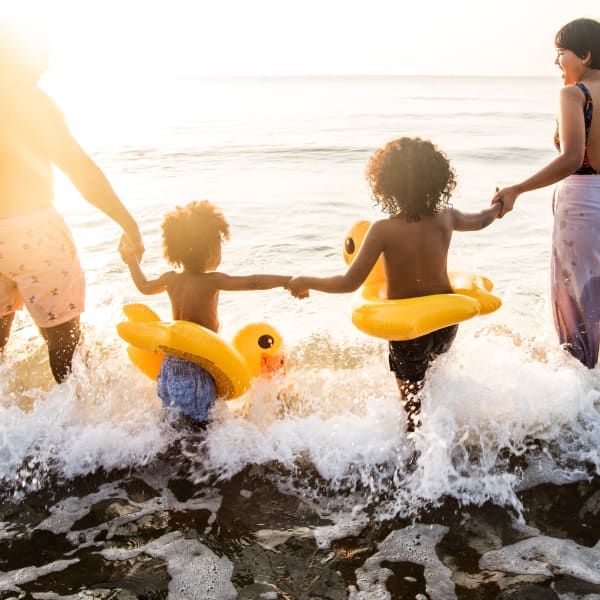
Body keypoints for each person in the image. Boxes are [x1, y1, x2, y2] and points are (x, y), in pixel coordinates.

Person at [286, 137, 502, 431]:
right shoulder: (447, 217)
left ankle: (416, 452)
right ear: (438, 179)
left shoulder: (383, 230)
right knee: (434, 373)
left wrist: (305, 279)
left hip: (408, 330)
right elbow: (481, 220)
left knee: (412, 409)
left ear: (385, 185)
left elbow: (348, 282)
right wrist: (498, 205)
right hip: (445, 321)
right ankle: (442, 434)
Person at [0, 19, 144, 383]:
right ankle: (77, 434)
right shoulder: (33, 102)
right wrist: (128, 223)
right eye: (42, 51)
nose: (48, 60)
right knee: (65, 342)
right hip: (33, 231)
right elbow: (80, 171)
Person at [119, 199, 291, 424]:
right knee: (202, 431)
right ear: (210, 251)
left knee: (174, 427)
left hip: (168, 368)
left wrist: (131, 260)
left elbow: (143, 286)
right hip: (197, 371)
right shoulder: (212, 281)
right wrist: (287, 281)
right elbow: (252, 282)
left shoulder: (170, 279)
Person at [492, 18, 600, 369]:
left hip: (583, 204)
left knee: (577, 303)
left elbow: (571, 159)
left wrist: (517, 189)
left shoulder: (574, 94)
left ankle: (579, 405)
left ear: (584, 54)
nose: (557, 62)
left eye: (561, 53)